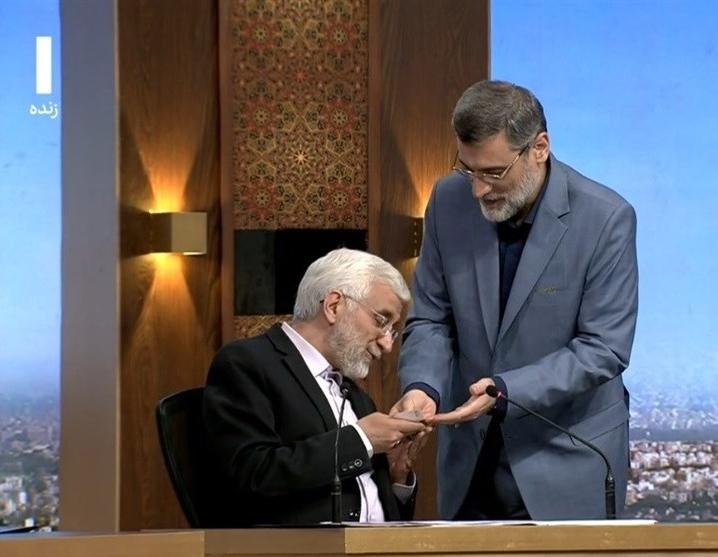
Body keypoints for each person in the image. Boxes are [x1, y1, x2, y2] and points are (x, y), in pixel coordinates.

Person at [393, 80, 638, 520]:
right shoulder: (447, 201)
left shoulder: (605, 218)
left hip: (567, 456)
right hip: (470, 462)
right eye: (468, 170)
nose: (478, 190)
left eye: (493, 173)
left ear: (539, 148)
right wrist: (421, 388)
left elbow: (604, 348)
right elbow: (431, 319)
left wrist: (506, 391)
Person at [204, 248, 428, 526]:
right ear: (334, 306)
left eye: (392, 330)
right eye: (381, 321)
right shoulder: (247, 363)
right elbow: (252, 474)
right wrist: (361, 439)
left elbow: (389, 518)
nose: (387, 344)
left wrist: (396, 475)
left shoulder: (356, 396)